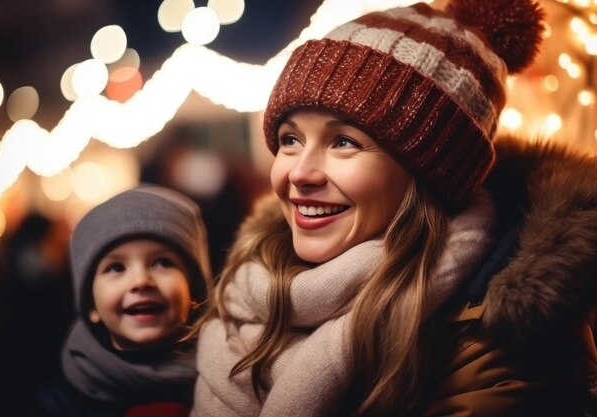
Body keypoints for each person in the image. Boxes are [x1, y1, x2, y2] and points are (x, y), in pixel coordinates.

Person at [192, 0, 597, 416]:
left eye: (343, 142)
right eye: (290, 139)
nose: (299, 173)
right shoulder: (244, 296)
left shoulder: (493, 346)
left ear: (429, 177)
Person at [28, 184, 212, 417]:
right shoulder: (57, 405)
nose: (141, 281)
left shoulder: (225, 383)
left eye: (162, 262)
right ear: (91, 305)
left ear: (194, 291)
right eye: (116, 267)